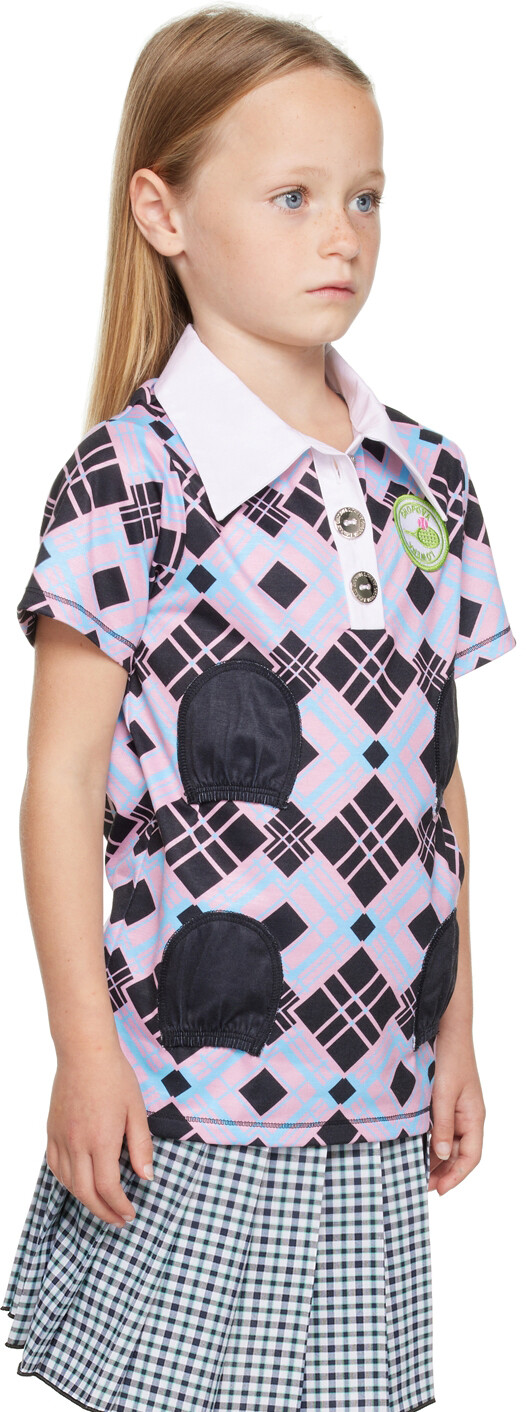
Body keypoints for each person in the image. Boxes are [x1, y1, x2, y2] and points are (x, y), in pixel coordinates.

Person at [1, 7, 516, 1411]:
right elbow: (61, 784)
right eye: (292, 197)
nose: (340, 235)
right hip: (199, 1077)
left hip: (373, 1071)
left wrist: (458, 1029)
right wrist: (83, 1050)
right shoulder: (131, 480)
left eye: (364, 198)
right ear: (163, 213)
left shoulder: (428, 477)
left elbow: (434, 780)